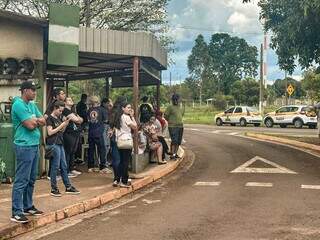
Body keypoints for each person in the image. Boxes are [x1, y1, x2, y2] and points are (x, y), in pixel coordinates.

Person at [11, 80, 46, 223]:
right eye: (32, 90)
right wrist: (36, 120)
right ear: (25, 91)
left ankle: (27, 206)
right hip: (24, 146)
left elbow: (43, 120)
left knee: (31, 179)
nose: (35, 92)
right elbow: (31, 125)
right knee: (21, 180)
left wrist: (35, 119)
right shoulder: (18, 104)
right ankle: (16, 211)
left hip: (34, 145)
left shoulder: (31, 105)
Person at [46, 101, 80, 197]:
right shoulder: (50, 118)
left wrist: (65, 124)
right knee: (55, 166)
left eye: (62, 111)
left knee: (64, 166)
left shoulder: (58, 118)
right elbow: (50, 132)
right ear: (55, 108)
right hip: (53, 143)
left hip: (60, 143)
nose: (61, 112)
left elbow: (61, 131)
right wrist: (61, 125)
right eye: (60, 110)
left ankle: (68, 186)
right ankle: (54, 188)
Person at [114, 102, 137, 187]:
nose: (130, 109)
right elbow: (135, 126)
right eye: (128, 107)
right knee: (125, 162)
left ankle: (117, 179)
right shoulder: (126, 117)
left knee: (122, 161)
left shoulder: (118, 117)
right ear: (123, 108)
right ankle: (124, 181)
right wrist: (132, 116)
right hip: (126, 141)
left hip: (120, 141)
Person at [87, 96, 110, 173]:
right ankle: (103, 167)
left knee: (91, 149)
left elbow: (88, 120)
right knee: (102, 149)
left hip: (90, 132)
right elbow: (106, 120)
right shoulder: (102, 110)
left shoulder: (89, 110)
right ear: (98, 101)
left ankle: (90, 166)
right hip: (99, 132)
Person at [62, 97, 83, 177]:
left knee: (73, 151)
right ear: (65, 102)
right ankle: (66, 170)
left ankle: (71, 168)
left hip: (75, 133)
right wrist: (78, 119)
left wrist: (78, 119)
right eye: (69, 100)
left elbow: (81, 119)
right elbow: (77, 120)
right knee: (68, 152)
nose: (71, 101)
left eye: (72, 99)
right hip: (69, 133)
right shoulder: (65, 110)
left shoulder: (73, 111)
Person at [109, 96, 126, 186]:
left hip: (114, 137)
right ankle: (123, 177)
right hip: (123, 137)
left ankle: (116, 178)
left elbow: (110, 124)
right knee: (123, 159)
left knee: (116, 159)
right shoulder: (124, 113)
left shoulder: (112, 111)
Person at [165, 94, 185, 160]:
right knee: (174, 141)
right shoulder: (170, 107)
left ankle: (175, 154)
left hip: (180, 126)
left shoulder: (180, 106)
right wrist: (170, 121)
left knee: (178, 141)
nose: (178, 101)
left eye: (178, 99)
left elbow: (181, 115)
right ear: (174, 100)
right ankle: (172, 155)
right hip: (173, 126)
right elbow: (166, 115)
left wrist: (183, 106)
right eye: (177, 99)